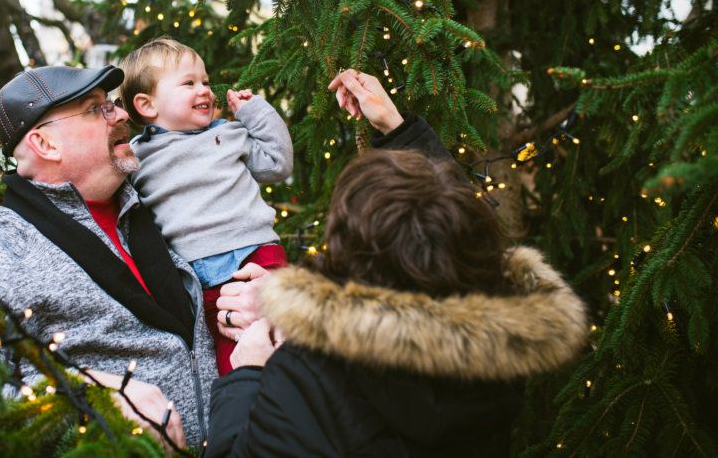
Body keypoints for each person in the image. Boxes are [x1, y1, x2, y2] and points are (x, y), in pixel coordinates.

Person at [205, 69, 589, 457]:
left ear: (353, 260)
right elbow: (448, 226)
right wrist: (396, 126)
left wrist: (250, 374)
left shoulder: (307, 376)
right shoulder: (502, 335)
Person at [0, 65, 217, 449]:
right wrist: (88, 400)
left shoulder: (160, 199)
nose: (123, 114)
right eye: (97, 109)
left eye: (111, 104)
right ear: (45, 145)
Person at [118, 38, 294, 375]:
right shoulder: (137, 157)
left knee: (278, 338)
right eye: (189, 83)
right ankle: (244, 415)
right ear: (147, 105)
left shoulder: (228, 134)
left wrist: (255, 113)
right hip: (194, 277)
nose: (205, 91)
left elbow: (276, 164)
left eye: (205, 82)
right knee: (225, 358)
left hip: (255, 255)